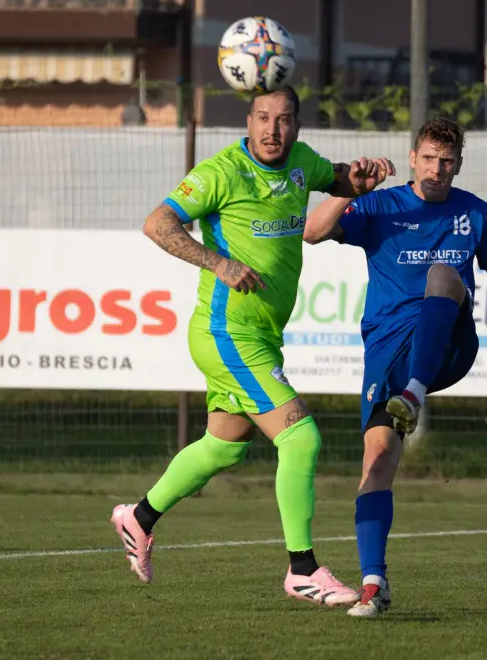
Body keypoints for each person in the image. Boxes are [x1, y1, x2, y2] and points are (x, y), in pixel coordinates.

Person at [110, 85, 397, 607]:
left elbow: (335, 177)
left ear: (297, 126)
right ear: (248, 121)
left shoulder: (301, 162)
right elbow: (157, 223)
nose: (272, 129)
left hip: (262, 335)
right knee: (301, 437)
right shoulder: (222, 172)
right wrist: (218, 263)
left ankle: (139, 517)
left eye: (283, 119)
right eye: (263, 118)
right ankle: (302, 570)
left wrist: (356, 180)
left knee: (224, 445)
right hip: (227, 334)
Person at [302, 116, 487, 618]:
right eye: (429, 158)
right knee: (376, 461)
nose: (437, 169)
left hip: (449, 345)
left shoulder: (474, 212)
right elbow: (313, 232)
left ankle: (412, 392)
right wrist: (350, 190)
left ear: (459, 164)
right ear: (413, 158)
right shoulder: (381, 205)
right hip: (388, 348)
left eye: (447, 161)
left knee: (443, 274)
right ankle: (374, 583)